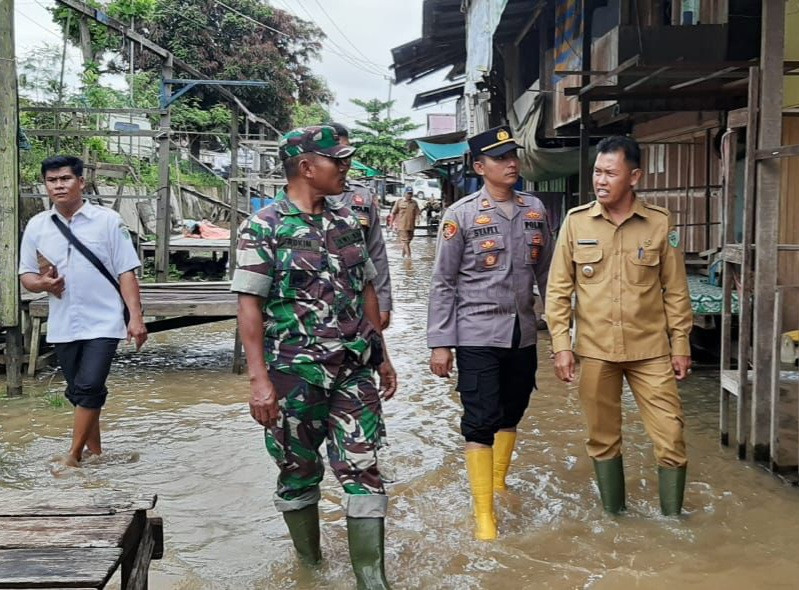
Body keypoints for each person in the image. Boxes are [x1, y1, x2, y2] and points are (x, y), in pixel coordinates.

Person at [232, 126, 397, 589]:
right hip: (293, 374)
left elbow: (366, 287)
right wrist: (258, 380)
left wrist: (381, 355)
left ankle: (371, 580)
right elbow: (249, 305)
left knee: (363, 467)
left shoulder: (348, 222)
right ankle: (311, 568)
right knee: (298, 470)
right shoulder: (263, 226)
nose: (346, 168)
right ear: (306, 167)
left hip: (353, 367)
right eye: (337, 160)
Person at [545, 135, 693, 516]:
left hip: (651, 352)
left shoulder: (659, 224)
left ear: (635, 176)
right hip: (594, 352)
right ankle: (616, 519)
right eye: (597, 172)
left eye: (611, 172)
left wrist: (681, 345)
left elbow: (675, 291)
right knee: (602, 440)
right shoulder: (576, 223)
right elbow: (558, 290)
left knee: (671, 437)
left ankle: (673, 522)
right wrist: (561, 345)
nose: (600, 180)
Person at [427, 126, 553, 540]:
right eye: (500, 158)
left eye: (513, 155)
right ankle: (485, 517)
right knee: (480, 421)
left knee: (512, 412)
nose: (511, 163)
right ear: (480, 167)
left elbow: (548, 273)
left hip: (523, 333)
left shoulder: (535, 211)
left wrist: (562, 328)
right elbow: (443, 282)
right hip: (477, 333)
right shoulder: (460, 216)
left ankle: (498, 485)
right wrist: (441, 343)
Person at [18, 155, 147, 467]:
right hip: (63, 323)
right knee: (78, 392)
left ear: (80, 182)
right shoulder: (37, 226)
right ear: (45, 185)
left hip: (104, 321)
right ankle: (97, 455)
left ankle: (73, 456)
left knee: (89, 386)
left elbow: (126, 272)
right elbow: (26, 275)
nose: (59, 185)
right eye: (52, 180)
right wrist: (44, 284)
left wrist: (136, 318)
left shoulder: (108, 221)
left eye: (65, 179)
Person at [325, 122, 393, 329]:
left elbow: (376, 252)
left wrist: (384, 302)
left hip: (356, 303)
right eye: (337, 155)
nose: (345, 163)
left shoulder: (361, 196)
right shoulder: (292, 203)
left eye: (347, 155)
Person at [390, 187, 421, 258]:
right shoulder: (399, 202)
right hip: (402, 226)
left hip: (411, 226)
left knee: (408, 241)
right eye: (408, 193)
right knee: (406, 241)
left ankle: (403, 256)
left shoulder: (414, 203)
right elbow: (393, 213)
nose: (410, 195)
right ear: (405, 193)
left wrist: (418, 219)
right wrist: (391, 224)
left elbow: (418, 213)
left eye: (411, 193)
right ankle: (409, 258)